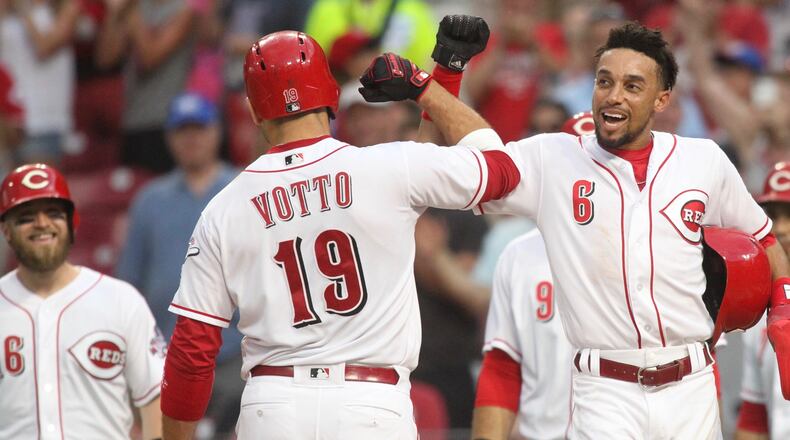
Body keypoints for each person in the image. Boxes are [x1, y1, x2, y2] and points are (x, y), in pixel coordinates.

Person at [379, 21, 790, 438]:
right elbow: (451, 163)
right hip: (606, 391)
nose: (613, 95)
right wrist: (434, 83)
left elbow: (764, 237)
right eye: (604, 81)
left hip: (692, 384)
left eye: (633, 86)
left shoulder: (703, 159)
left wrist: (785, 309)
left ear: (661, 99)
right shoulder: (554, 157)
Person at [160, 18, 520, 440]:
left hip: (272, 407)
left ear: (254, 111)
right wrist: (430, 83)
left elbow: (192, 350)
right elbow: (502, 172)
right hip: (370, 405)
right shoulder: (386, 167)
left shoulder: (223, 208)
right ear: (331, 94)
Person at [0, 163, 165, 439]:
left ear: (72, 221)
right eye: (26, 216)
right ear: (6, 230)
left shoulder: (120, 300)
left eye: (53, 213)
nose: (42, 223)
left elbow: (156, 398)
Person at [114, 92, 241, 438]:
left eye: (199, 128)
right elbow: (128, 284)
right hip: (164, 357)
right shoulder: (149, 200)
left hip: (236, 356)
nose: (191, 138)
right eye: (182, 130)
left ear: (217, 132)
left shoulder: (243, 189)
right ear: (169, 138)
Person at [735, 162, 790, 440]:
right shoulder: (760, 311)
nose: (780, 229)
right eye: (772, 216)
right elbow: (754, 419)